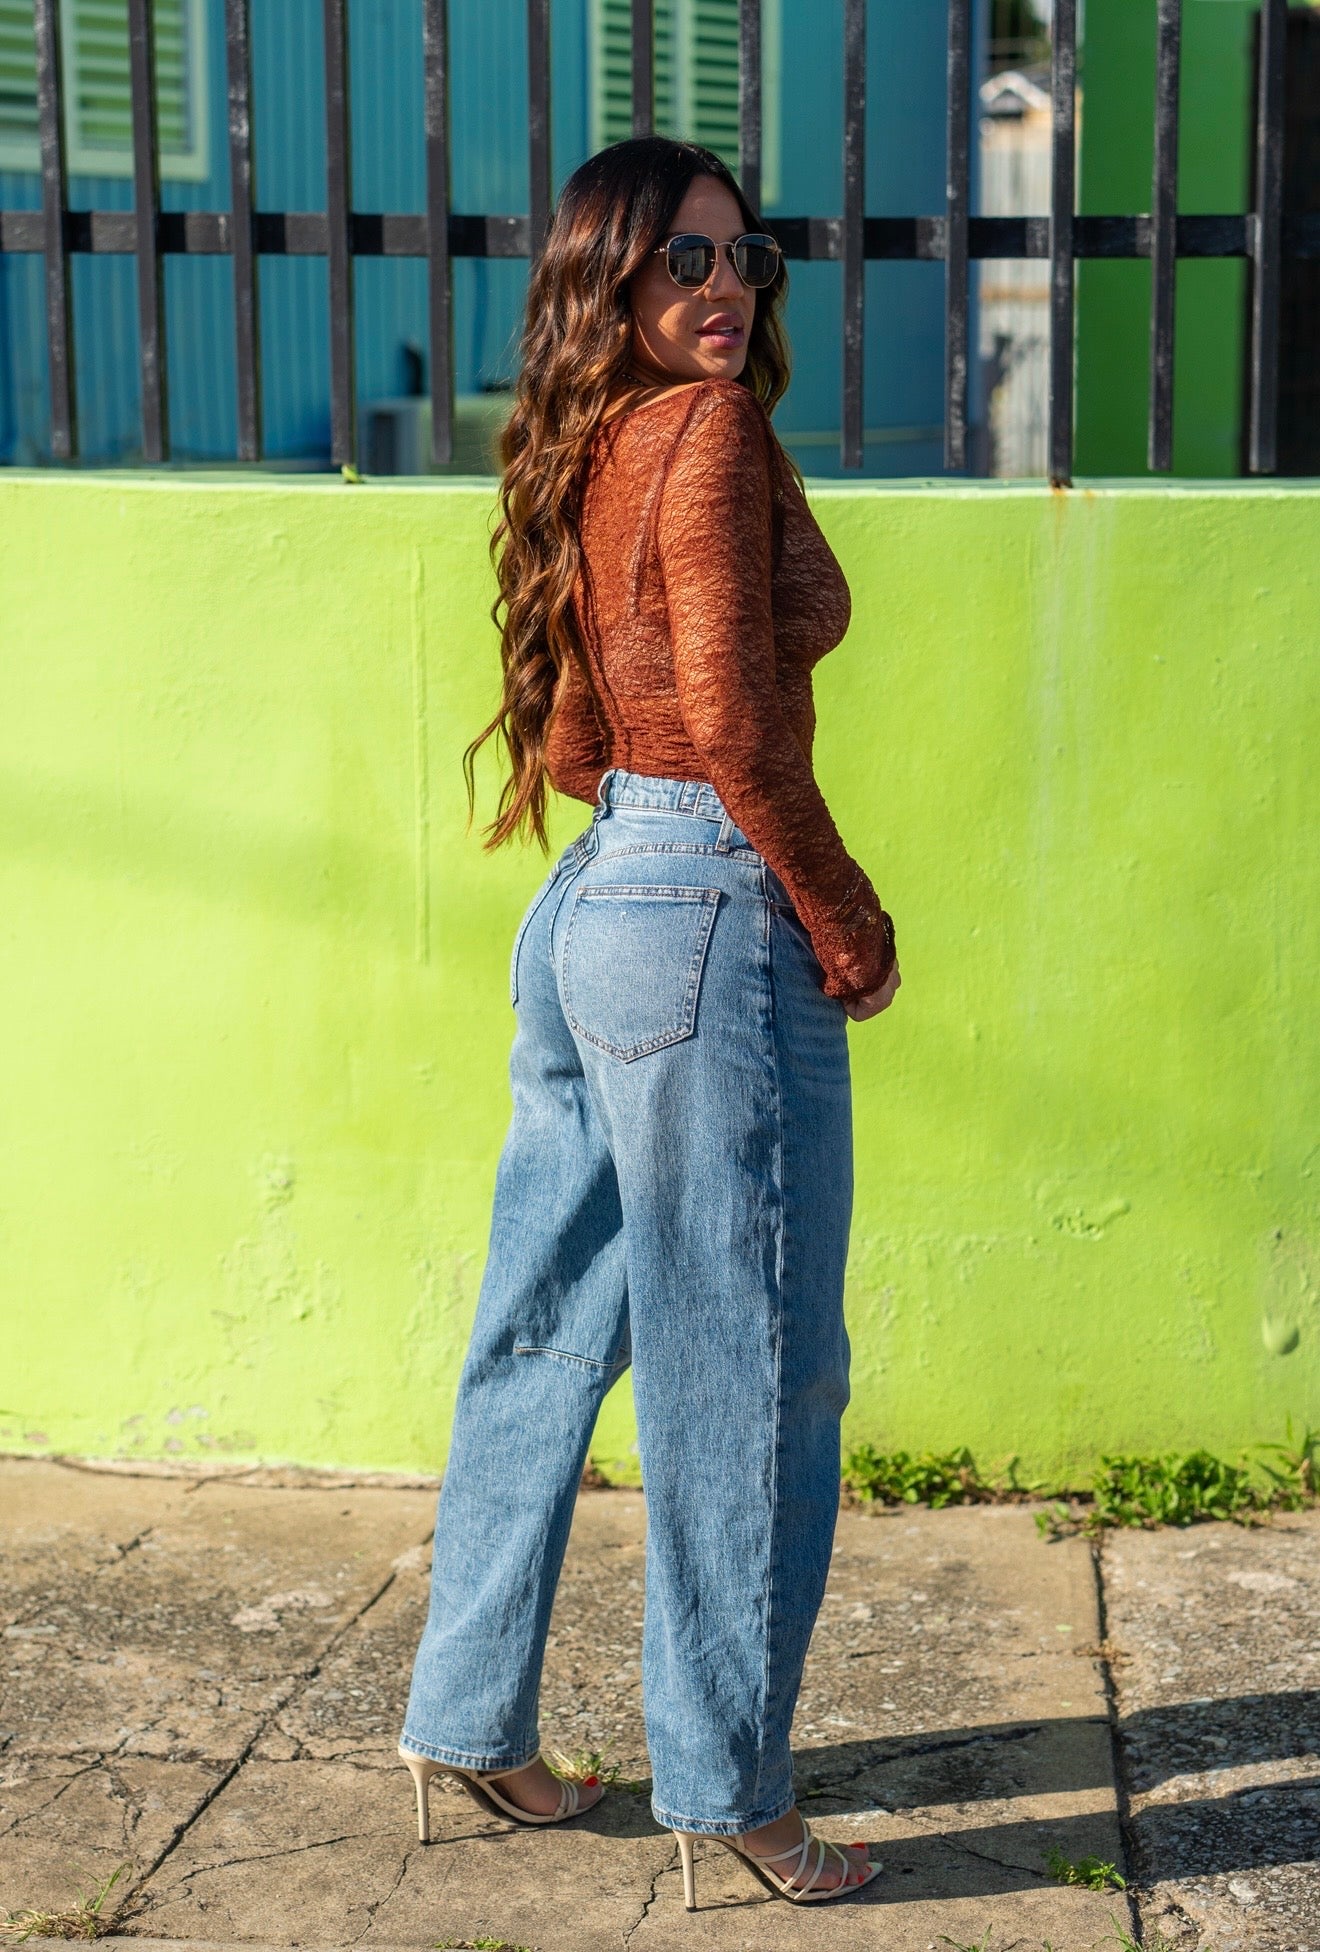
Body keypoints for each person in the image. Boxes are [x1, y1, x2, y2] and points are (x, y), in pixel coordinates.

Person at [398, 134, 900, 1910]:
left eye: (742, 260)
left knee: (544, 1329)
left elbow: (575, 735)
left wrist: (639, 855)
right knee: (748, 1367)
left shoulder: (585, 442)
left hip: (597, 902)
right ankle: (734, 1793)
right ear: (610, 276)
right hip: (706, 907)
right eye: (683, 265)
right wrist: (841, 911)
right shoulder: (703, 438)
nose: (724, 291)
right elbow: (747, 728)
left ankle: (467, 1722)